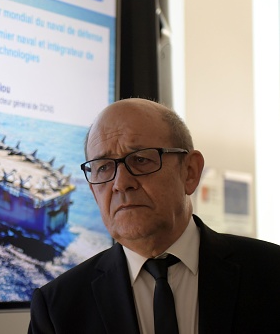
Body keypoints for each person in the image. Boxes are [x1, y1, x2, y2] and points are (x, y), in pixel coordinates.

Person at [28, 98, 280, 334]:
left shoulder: (270, 273)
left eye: (140, 159)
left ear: (190, 172)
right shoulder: (56, 308)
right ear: (93, 190)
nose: (121, 183)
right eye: (104, 167)